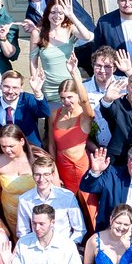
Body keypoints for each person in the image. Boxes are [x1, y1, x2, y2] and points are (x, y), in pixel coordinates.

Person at [30, 0, 94, 108]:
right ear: (47, 13)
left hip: (72, 83)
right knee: (54, 122)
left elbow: (87, 36)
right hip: (50, 87)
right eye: (53, 12)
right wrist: (36, 83)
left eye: (61, 12)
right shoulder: (37, 33)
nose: (57, 16)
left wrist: (71, 16)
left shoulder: (70, 29)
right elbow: (33, 61)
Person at [47, 56, 93, 194]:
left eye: (70, 97)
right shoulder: (54, 114)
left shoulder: (84, 116)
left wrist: (74, 75)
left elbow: (85, 101)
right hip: (61, 166)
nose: (66, 101)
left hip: (80, 166)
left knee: (86, 206)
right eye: (62, 97)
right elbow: (51, 145)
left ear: (77, 95)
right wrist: (53, 172)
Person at [16, 156, 85, 243]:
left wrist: (69, 247)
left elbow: (79, 229)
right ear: (33, 175)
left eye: (46, 174)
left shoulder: (67, 196)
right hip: (37, 247)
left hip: (64, 247)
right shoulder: (24, 200)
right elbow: (22, 232)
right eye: (37, 174)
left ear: (52, 175)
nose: (42, 179)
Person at [0, 125, 35, 237]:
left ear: (22, 141)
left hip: (36, 213)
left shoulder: (36, 157)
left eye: (11, 146)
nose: (7, 150)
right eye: (3, 146)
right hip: (11, 216)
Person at [0, 69, 50, 148]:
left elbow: (45, 113)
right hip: (5, 150)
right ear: (0, 85)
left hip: (30, 149)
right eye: (6, 86)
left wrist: (37, 92)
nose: (10, 91)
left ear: (21, 88)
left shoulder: (28, 100)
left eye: (15, 87)